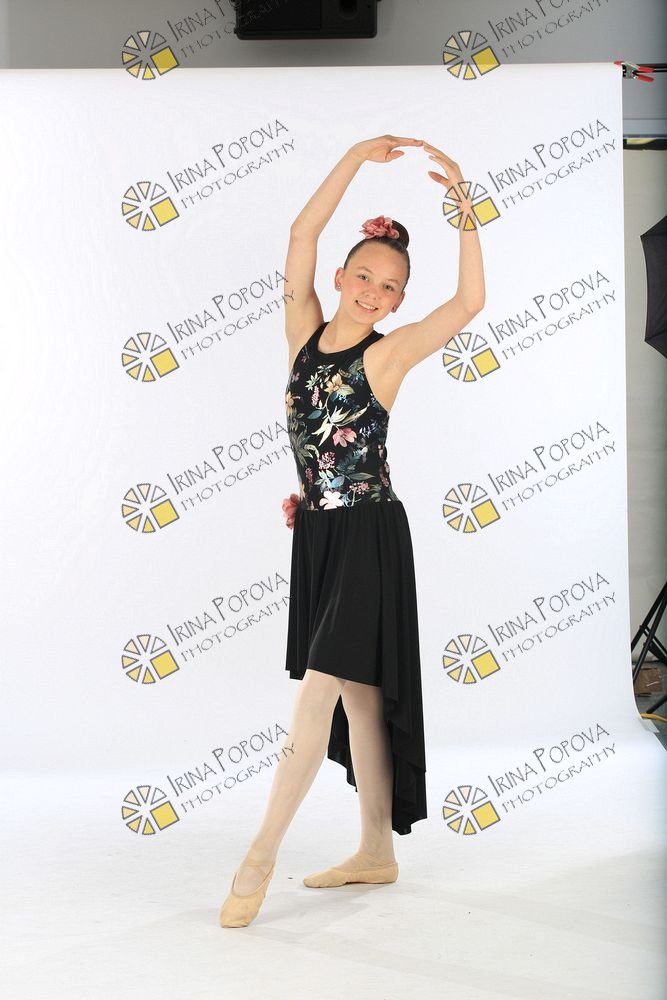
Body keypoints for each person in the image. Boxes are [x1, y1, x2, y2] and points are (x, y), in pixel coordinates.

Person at [219, 134, 485, 928]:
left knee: (319, 693)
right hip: (319, 536)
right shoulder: (301, 334)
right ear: (339, 277)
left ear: (398, 303)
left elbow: (467, 304)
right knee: (361, 699)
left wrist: (464, 205)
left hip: (369, 535)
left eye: (390, 286)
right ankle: (375, 850)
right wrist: (352, 159)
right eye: (364, 275)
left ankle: (259, 853)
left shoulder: (389, 356)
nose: (374, 291)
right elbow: (301, 232)